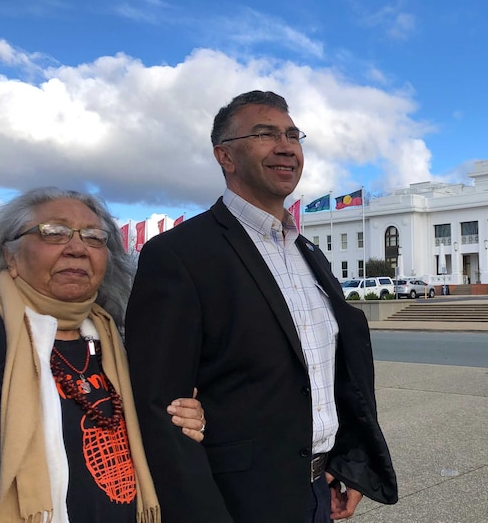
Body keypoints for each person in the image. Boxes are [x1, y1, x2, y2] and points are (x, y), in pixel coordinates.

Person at [124, 90, 398, 522]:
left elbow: (326, 375)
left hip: (316, 493)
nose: (286, 145)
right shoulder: (180, 255)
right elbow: (161, 410)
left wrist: (345, 466)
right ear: (225, 157)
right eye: (266, 134)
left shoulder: (309, 254)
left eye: (293, 134)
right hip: (236, 502)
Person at [0, 187, 208, 523]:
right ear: (10, 256)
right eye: (54, 232)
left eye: (94, 237)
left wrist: (183, 418)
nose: (77, 248)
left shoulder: (125, 347)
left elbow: (160, 432)